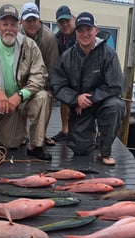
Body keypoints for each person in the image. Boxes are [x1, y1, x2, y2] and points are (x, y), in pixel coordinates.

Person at [0, 4, 52, 161]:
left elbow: (39, 76)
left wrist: (20, 95)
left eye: (13, 24)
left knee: (44, 96)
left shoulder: (30, 46)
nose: (9, 29)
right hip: (2, 105)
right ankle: (20, 134)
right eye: (5, 24)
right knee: (10, 143)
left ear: (19, 26)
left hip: (23, 98)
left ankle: (36, 146)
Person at [50, 11, 126, 165]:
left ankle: (105, 152)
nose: (85, 34)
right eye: (80, 30)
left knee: (116, 106)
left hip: (103, 101)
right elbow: (57, 85)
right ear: (75, 32)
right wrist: (75, 99)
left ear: (96, 30)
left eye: (88, 30)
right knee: (80, 149)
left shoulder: (109, 54)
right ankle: (90, 138)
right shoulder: (66, 57)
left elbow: (116, 86)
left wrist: (88, 98)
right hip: (80, 106)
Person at [19, 2, 59, 146]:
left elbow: (52, 67)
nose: (31, 24)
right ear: (21, 21)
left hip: (42, 80)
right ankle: (23, 132)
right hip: (20, 81)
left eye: (34, 20)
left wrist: (46, 87)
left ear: (39, 20)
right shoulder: (15, 35)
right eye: (28, 20)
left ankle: (42, 134)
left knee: (47, 97)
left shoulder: (49, 38)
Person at [51, 5, 76, 142]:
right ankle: (65, 130)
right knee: (63, 95)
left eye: (67, 21)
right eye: (61, 22)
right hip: (67, 74)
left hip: (86, 75)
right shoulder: (58, 38)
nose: (65, 24)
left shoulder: (81, 32)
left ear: (73, 19)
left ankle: (96, 134)